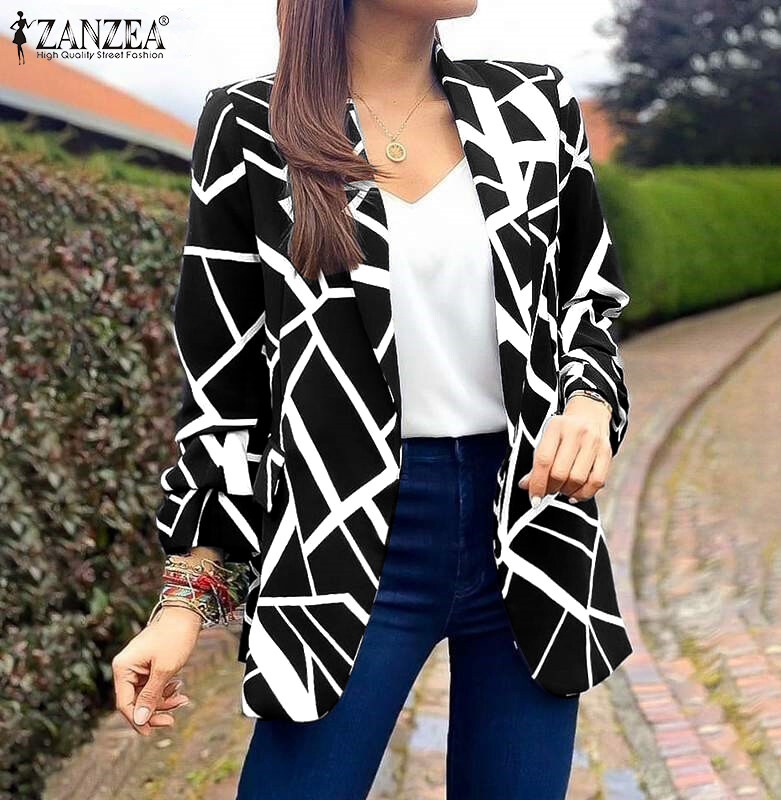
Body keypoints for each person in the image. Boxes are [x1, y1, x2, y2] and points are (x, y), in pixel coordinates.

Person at [112, 1, 634, 797]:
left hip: (529, 525)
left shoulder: (532, 106)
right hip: (340, 539)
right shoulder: (250, 124)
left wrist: (588, 405)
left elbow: (586, 302)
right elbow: (227, 394)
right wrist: (188, 599)